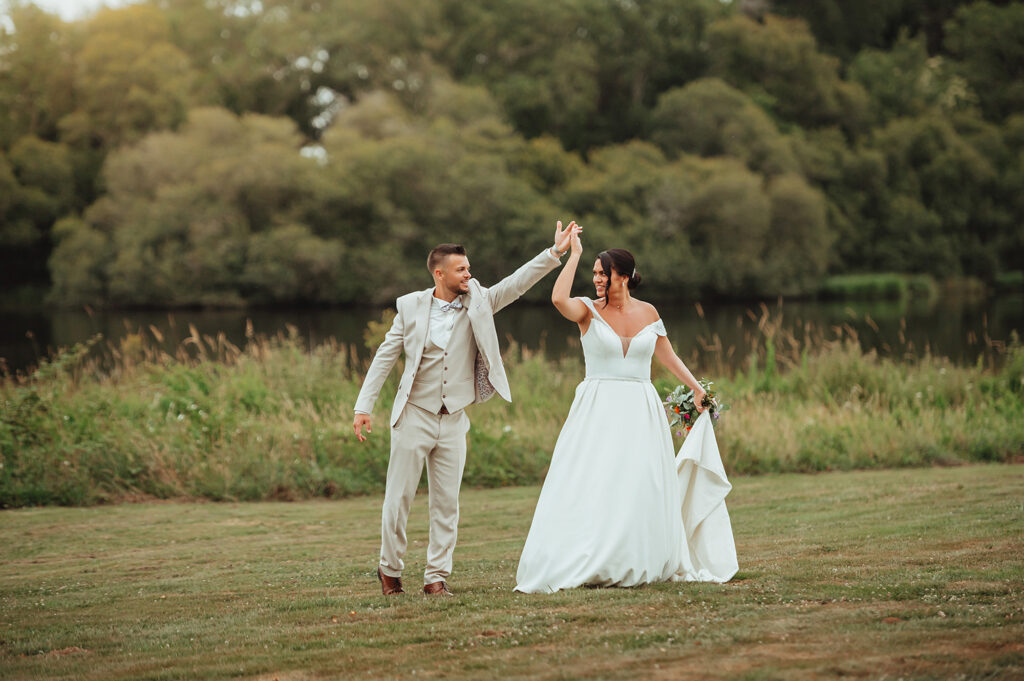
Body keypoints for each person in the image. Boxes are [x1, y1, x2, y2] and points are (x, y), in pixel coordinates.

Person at [354, 221, 583, 596]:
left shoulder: (479, 299)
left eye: (468, 268)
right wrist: (363, 406)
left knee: (447, 506)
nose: (468, 273)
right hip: (413, 415)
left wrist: (554, 252)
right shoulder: (410, 306)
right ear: (439, 273)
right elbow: (384, 357)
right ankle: (390, 571)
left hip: (455, 418)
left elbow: (516, 283)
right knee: (398, 502)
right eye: (461, 269)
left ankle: (435, 578)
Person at [515, 231, 738, 593]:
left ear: (623, 275)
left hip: (640, 407)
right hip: (597, 407)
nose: (597, 279)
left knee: (638, 481)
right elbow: (558, 298)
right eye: (594, 273)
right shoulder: (587, 309)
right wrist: (573, 254)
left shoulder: (649, 312)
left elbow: (668, 356)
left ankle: (636, 554)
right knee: (596, 478)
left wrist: (698, 389)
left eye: (602, 273)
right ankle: (590, 553)